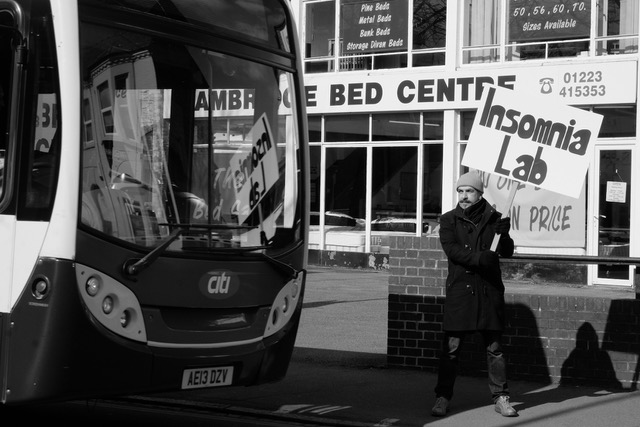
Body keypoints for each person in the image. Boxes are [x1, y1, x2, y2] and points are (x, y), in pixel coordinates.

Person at [431, 171, 518, 418]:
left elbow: (507, 252)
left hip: (488, 291)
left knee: (495, 349)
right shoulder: (449, 220)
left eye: (469, 191)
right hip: (461, 292)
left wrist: (506, 234)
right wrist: (481, 258)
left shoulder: (494, 219)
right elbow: (453, 252)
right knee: (451, 349)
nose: (464, 196)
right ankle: (442, 396)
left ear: (479, 193)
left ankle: (501, 397)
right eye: (460, 191)